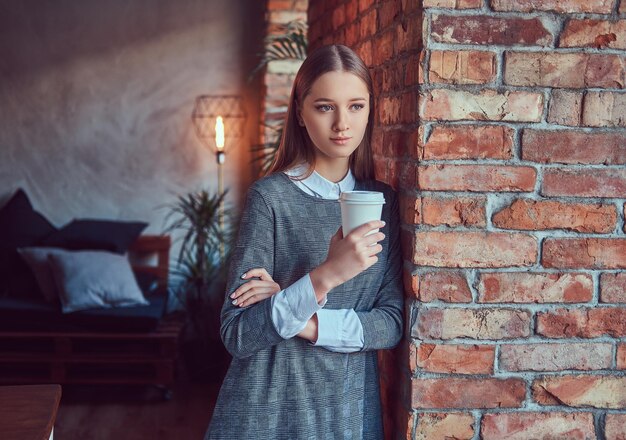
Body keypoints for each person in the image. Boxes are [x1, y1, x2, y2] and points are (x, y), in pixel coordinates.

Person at [204, 44, 403, 440]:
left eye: (356, 106)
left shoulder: (382, 201)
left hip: (346, 414)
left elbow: (390, 325)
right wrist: (324, 277)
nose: (342, 123)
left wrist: (299, 316)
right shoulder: (271, 198)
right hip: (265, 408)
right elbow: (238, 334)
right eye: (325, 107)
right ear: (300, 111)